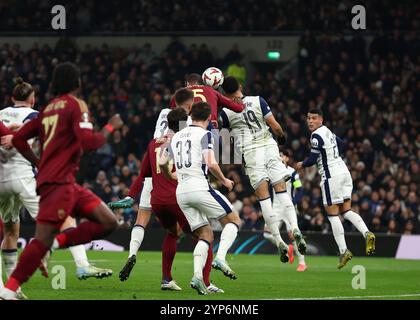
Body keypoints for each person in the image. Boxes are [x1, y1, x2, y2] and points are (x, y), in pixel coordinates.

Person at [0, 62, 123, 300]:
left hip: (60, 182)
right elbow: (89, 144)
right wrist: (111, 126)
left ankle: (55, 245)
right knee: (43, 237)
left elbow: (19, 139)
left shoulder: (48, 109)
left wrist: (39, 161)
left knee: (108, 221)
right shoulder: (76, 105)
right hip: (56, 184)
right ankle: (10, 289)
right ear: (77, 82)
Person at [108, 88, 194, 281]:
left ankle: (132, 254)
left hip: (153, 161)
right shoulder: (188, 122)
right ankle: (198, 275)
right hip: (172, 174)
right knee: (188, 231)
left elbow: (156, 143)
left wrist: (132, 193)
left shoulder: (164, 113)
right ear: (189, 105)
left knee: (142, 218)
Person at [220, 76, 306, 263]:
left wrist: (239, 156)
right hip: (269, 146)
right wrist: (281, 138)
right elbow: (275, 126)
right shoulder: (258, 100)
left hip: (251, 154)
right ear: (240, 86)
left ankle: (278, 240)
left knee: (264, 199)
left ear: (224, 93)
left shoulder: (225, 113)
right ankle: (295, 228)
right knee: (282, 191)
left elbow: (227, 145)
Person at [160, 102, 241, 295]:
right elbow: (211, 163)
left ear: (191, 117)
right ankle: (220, 258)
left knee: (206, 235)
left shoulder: (176, 135)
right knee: (234, 220)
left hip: (182, 192)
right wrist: (224, 180)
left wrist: (170, 175)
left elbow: (162, 161)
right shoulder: (205, 135)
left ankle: (197, 276)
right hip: (199, 186)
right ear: (208, 118)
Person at [296, 108, 376, 269]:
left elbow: (312, 159)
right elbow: (341, 144)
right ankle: (367, 233)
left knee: (332, 215)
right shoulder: (327, 131)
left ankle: (343, 250)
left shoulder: (316, 135)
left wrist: (301, 164)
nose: (310, 121)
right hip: (344, 172)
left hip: (331, 176)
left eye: (314, 118)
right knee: (346, 211)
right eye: (308, 118)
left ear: (321, 120)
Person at [263, 150, 307, 271]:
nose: (280, 157)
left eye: (282, 155)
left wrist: (293, 201)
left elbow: (300, 189)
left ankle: (302, 263)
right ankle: (287, 249)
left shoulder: (292, 172)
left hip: (288, 208)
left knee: (294, 235)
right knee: (266, 234)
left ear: (287, 158)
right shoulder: (271, 171)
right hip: (275, 207)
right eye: (278, 155)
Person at [170, 73, 244, 129]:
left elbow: (173, 117)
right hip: (210, 128)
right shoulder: (211, 91)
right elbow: (238, 108)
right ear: (202, 83)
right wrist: (240, 102)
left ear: (187, 84)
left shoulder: (179, 94)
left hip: (188, 131)